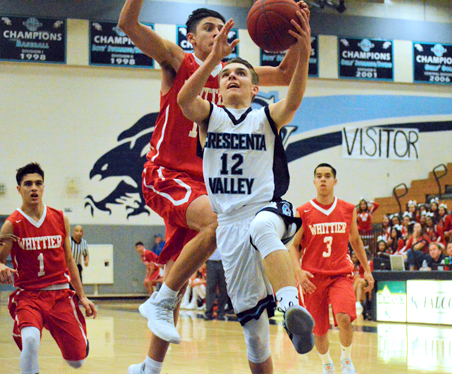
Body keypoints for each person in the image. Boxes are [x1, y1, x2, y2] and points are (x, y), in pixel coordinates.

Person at [118, 2, 311, 372]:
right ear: (191, 38)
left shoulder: (233, 76)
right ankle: (160, 301)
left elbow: (288, 75)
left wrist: (299, 30)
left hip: (203, 186)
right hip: (168, 174)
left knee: (179, 266)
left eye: (222, 27)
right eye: (209, 28)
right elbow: (128, 23)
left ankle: (149, 366)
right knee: (214, 225)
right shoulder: (180, 61)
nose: (218, 32)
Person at [177, 10, 314, 374]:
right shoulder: (210, 116)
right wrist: (212, 59)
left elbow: (295, 98)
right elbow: (184, 101)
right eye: (226, 74)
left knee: (262, 227)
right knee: (254, 335)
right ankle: (281, 322)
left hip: (268, 208)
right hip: (229, 226)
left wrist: (304, 51)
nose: (232, 76)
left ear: (255, 89)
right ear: (218, 88)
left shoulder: (264, 116)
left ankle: (290, 307)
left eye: (241, 73)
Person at [0, 162, 97, 374]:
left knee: (76, 362)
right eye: (28, 184)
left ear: (44, 187)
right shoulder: (12, 224)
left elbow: (70, 262)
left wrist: (82, 296)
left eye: (38, 183)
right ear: (19, 189)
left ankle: (79, 343)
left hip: (60, 295)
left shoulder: (60, 218)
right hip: (29, 296)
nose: (33, 188)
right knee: (31, 340)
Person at [289, 163, 374, 374]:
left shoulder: (347, 209)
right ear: (314, 181)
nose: (323, 179)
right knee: (319, 330)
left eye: (327, 176)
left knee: (344, 318)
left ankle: (346, 360)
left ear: (335, 181)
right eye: (319, 176)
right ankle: (327, 364)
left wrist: (367, 270)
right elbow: (293, 245)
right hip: (313, 277)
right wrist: (298, 271)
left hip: (340, 274)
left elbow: (355, 240)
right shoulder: (303, 211)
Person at [204, 247, 229, 320]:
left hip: (224, 262)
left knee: (223, 288)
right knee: (210, 288)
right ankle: (208, 312)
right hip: (211, 262)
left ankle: (221, 312)